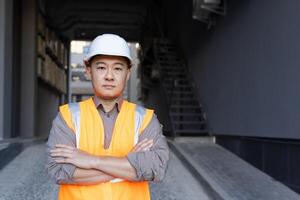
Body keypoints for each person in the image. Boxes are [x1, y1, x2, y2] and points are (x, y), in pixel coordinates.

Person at [46, 34, 169, 200]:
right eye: (101, 67)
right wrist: (128, 164)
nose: (109, 76)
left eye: (118, 68)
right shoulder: (68, 117)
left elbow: (156, 168)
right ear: (88, 71)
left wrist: (92, 161)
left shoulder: (145, 119)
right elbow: (59, 171)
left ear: (127, 73)